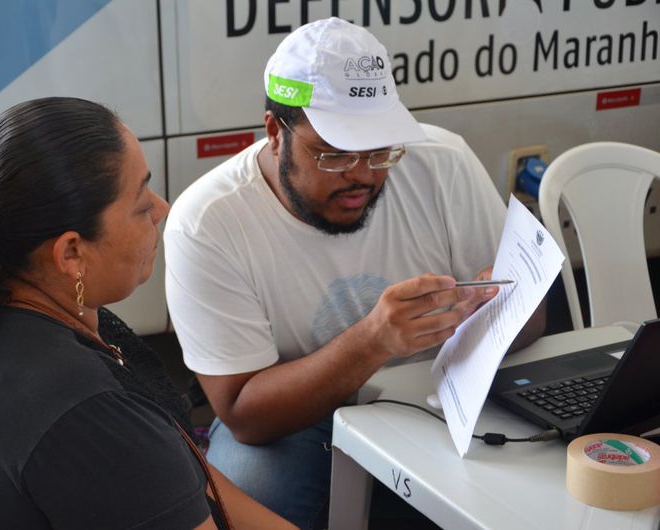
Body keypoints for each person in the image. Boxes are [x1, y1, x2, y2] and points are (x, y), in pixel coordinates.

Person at [164, 17, 546, 529]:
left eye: (380, 149)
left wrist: (498, 312)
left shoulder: (443, 162)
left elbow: (534, 318)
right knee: (246, 491)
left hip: (441, 388)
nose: (363, 175)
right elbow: (243, 413)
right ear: (275, 133)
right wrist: (373, 341)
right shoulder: (208, 222)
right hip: (299, 417)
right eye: (334, 154)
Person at [0, 97, 295, 530]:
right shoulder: (89, 417)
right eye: (141, 202)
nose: (161, 209)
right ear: (71, 252)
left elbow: (195, 478)